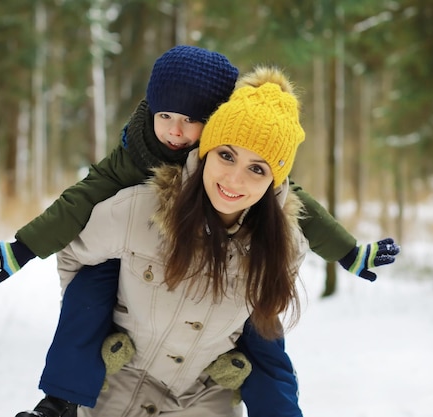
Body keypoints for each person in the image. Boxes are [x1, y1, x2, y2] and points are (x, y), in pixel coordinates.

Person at [0, 46, 400, 417]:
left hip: (205, 387)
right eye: (226, 155)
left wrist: (349, 253)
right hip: (121, 318)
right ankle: (58, 399)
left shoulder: (275, 223)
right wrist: (22, 250)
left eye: (256, 168)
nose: (175, 131)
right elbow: (79, 203)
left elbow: (305, 212)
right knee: (89, 289)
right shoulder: (136, 169)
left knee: (264, 336)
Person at [56, 65, 308, 416]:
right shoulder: (138, 209)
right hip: (118, 392)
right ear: (205, 152)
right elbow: (74, 256)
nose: (234, 179)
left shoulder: (286, 247)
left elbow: (260, 328)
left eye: (257, 168)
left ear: (275, 181)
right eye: (226, 155)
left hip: (205, 399)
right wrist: (93, 329)